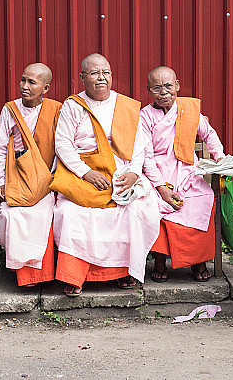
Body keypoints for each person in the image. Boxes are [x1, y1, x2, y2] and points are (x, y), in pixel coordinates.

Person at [50, 53, 161, 297]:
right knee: (71, 212)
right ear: (82, 78)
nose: (102, 78)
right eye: (94, 73)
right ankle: (75, 276)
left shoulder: (127, 105)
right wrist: (85, 172)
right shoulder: (72, 106)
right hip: (81, 171)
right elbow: (63, 145)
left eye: (106, 73)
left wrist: (133, 173)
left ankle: (122, 273)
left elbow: (138, 146)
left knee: (133, 210)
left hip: (119, 171)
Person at [139, 66, 224, 282]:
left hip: (188, 171)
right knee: (151, 202)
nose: (163, 92)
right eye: (157, 88)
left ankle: (198, 261)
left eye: (168, 86)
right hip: (157, 174)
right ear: (149, 90)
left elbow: (209, 135)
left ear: (177, 86)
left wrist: (221, 158)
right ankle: (160, 260)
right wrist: (161, 187)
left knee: (203, 198)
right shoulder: (145, 116)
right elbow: (146, 157)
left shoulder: (189, 109)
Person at [0, 63, 61, 287]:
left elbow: (61, 149)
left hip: (46, 181)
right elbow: (2, 148)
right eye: (23, 80)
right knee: (14, 214)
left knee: (44, 213)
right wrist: (1, 180)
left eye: (31, 82)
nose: (24, 86)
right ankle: (26, 277)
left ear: (45, 88)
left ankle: (44, 274)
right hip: (17, 180)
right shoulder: (10, 110)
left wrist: (51, 181)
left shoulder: (56, 110)